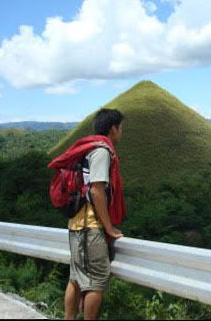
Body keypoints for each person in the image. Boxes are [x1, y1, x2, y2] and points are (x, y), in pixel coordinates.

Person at [56, 108, 126, 320]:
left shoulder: (86, 148)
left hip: (76, 224)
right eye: (121, 128)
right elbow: (97, 190)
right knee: (96, 282)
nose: (122, 132)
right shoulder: (101, 151)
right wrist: (109, 227)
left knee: (76, 280)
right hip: (90, 226)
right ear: (113, 128)